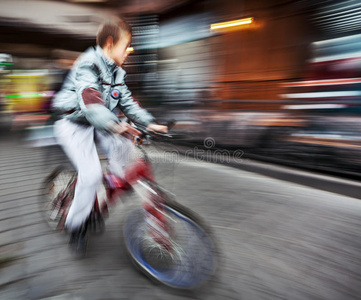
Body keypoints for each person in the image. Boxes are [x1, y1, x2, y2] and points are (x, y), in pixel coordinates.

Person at [52, 18, 167, 255]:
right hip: (74, 124)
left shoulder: (116, 72)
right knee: (92, 174)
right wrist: (118, 127)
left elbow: (127, 102)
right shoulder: (88, 64)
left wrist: (150, 123)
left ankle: (97, 202)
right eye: (126, 46)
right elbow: (91, 102)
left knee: (128, 158)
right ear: (110, 43)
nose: (128, 52)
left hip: (102, 123)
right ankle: (76, 225)